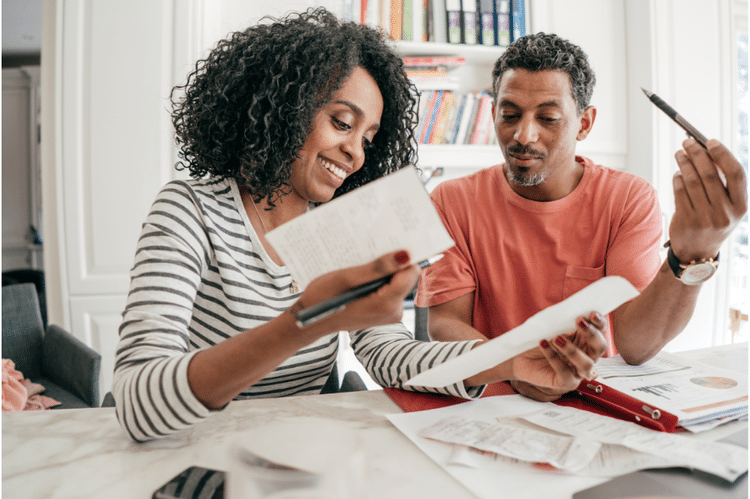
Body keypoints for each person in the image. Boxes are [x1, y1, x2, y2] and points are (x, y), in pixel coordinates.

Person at [113, 10, 607, 442]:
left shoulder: (341, 230)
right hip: (191, 450)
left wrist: (509, 361)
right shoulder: (190, 212)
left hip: (291, 454)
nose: (356, 153)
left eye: (369, 137)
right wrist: (306, 322)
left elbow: (389, 354)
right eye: (342, 123)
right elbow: (136, 400)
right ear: (280, 108)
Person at [416, 32, 748, 402]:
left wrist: (689, 255)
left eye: (548, 118)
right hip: (489, 400)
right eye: (509, 115)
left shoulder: (627, 199)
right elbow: (445, 322)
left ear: (584, 124)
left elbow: (635, 347)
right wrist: (513, 366)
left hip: (590, 402)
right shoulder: (451, 200)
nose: (523, 135)